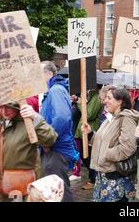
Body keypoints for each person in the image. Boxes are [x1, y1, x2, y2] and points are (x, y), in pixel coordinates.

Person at [89, 86, 139, 202]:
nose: (105, 101)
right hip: (103, 176)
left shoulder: (126, 119)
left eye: (109, 98)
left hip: (116, 178)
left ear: (120, 101)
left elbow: (128, 147)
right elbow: (103, 140)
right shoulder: (110, 118)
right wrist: (90, 134)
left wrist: (106, 154)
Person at [40, 61, 79, 202]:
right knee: (56, 189)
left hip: (56, 150)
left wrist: (48, 140)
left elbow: (62, 118)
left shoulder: (55, 90)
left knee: (58, 192)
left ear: (49, 74)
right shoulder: (54, 90)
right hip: (55, 149)